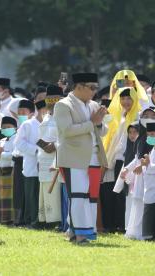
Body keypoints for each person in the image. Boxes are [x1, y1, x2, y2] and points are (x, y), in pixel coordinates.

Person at [54, 73, 108, 244]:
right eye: (91, 88)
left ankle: (79, 231)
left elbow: (103, 131)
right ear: (78, 87)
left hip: (94, 157)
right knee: (77, 196)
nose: (94, 92)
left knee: (90, 197)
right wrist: (92, 123)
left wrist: (98, 123)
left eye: (96, 88)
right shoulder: (63, 105)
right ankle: (80, 235)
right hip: (73, 157)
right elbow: (67, 130)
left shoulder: (93, 105)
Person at [101, 87, 140, 233]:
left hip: (129, 159)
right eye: (122, 98)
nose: (125, 101)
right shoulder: (119, 115)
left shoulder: (137, 116)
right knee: (116, 193)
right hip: (116, 159)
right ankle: (116, 224)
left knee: (126, 193)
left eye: (128, 98)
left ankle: (124, 225)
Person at [120, 108, 155, 240]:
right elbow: (137, 157)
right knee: (137, 201)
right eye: (145, 115)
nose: (148, 118)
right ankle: (134, 230)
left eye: (152, 116)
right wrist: (127, 169)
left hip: (148, 173)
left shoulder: (153, 138)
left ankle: (142, 231)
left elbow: (154, 154)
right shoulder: (141, 138)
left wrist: (142, 165)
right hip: (139, 175)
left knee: (143, 201)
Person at [37, 85, 64, 229]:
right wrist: (43, 146)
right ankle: (47, 220)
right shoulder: (46, 116)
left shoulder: (63, 115)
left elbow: (65, 135)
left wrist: (54, 145)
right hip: (43, 157)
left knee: (56, 190)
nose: (51, 103)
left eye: (54, 100)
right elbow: (40, 137)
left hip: (56, 157)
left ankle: (58, 221)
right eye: (49, 100)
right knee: (46, 190)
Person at [15, 99, 43, 228]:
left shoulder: (51, 123)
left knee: (43, 194)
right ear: (40, 110)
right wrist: (36, 150)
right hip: (31, 164)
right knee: (31, 193)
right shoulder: (28, 124)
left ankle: (43, 220)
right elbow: (19, 143)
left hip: (47, 165)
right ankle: (31, 220)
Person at [0, 116, 18, 224]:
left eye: (9, 126)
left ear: (15, 128)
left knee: (11, 195)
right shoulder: (1, 140)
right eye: (4, 127)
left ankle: (12, 218)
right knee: (3, 195)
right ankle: (4, 218)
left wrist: (2, 153)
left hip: (11, 170)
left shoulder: (16, 139)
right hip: (2, 171)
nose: (6, 129)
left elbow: (15, 154)